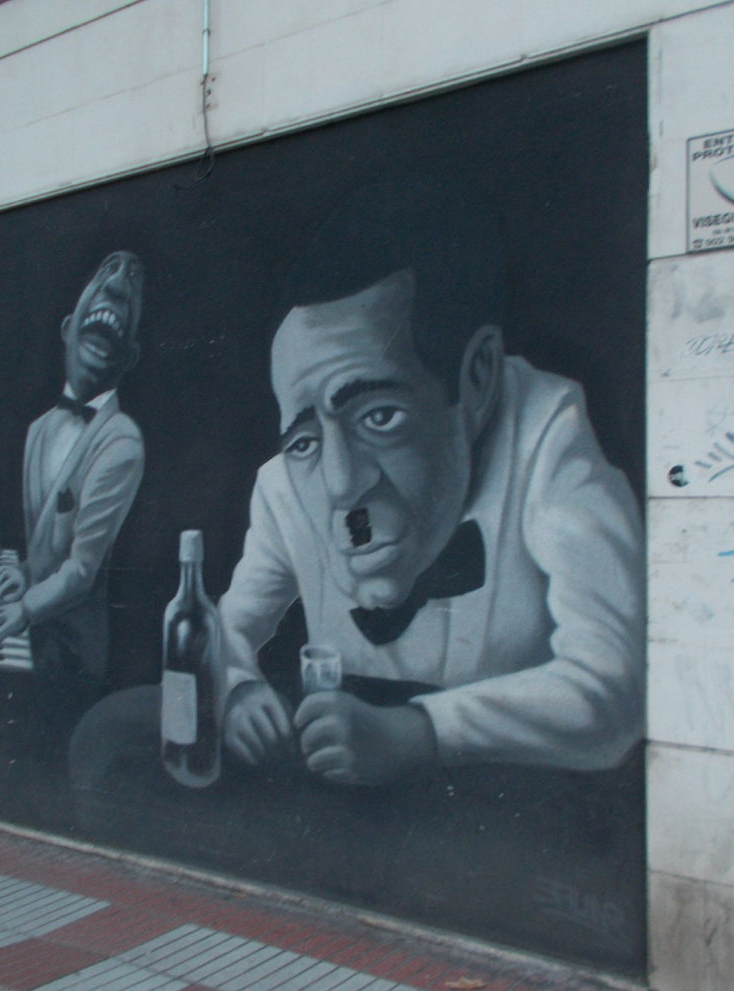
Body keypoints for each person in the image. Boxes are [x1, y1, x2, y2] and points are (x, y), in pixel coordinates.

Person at [218, 182, 644, 786]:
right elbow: (225, 623)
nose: (342, 485)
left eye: (378, 417)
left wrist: (419, 733)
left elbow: (615, 685)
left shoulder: (548, 434)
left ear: (477, 378)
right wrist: (234, 687)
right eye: (306, 439)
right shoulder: (286, 483)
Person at [0, 251, 146, 682]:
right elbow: (47, 551)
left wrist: (25, 608)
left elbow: (81, 570)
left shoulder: (122, 441)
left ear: (130, 356)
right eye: (107, 269)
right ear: (67, 328)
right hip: (31, 637)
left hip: (71, 658)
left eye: (133, 280)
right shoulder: (38, 429)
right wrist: (23, 574)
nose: (118, 285)